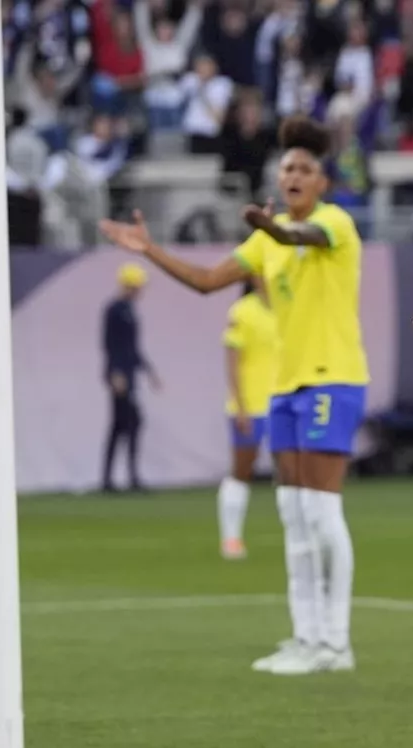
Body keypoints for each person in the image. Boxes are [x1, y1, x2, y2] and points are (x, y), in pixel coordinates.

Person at [98, 116, 367, 675]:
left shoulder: (334, 224)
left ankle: (336, 643)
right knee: (293, 512)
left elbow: (298, 236)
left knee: (321, 511)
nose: (293, 174)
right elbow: (204, 281)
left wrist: (270, 230)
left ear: (321, 182)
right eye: (287, 166)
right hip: (285, 387)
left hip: (332, 378)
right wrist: (149, 250)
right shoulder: (264, 244)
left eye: (305, 168)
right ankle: (306, 637)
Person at [218, 277, 279, 559]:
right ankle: (231, 538)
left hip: (283, 402)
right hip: (251, 404)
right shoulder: (242, 311)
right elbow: (232, 359)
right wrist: (240, 406)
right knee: (243, 470)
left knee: (293, 472)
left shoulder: (286, 307)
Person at [101, 263, 160, 493]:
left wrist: (149, 372)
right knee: (123, 424)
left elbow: (133, 348)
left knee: (128, 424)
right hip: (120, 376)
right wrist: (114, 373)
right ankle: (113, 478)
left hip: (130, 374)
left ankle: (127, 476)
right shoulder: (114, 310)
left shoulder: (130, 310)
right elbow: (109, 345)